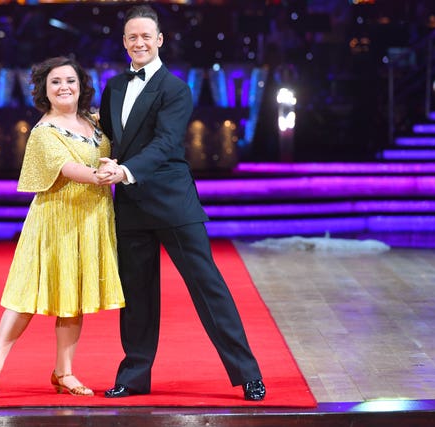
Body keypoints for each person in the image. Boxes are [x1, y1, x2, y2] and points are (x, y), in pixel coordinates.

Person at [96, 5, 266, 401]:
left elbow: (166, 144)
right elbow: (107, 137)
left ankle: (247, 372)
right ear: (124, 43)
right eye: (131, 37)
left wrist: (124, 171)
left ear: (159, 40)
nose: (139, 42)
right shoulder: (115, 86)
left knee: (208, 287)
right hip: (131, 206)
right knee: (136, 295)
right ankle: (134, 376)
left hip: (173, 203)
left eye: (145, 36)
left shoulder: (175, 88)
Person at [0, 56, 125, 400]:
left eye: (70, 80)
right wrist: (104, 174)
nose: (64, 87)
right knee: (26, 296)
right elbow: (70, 168)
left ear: (81, 86)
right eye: (55, 82)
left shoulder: (95, 122)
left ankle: (64, 372)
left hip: (91, 218)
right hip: (54, 221)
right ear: (44, 90)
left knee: (74, 299)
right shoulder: (44, 132)